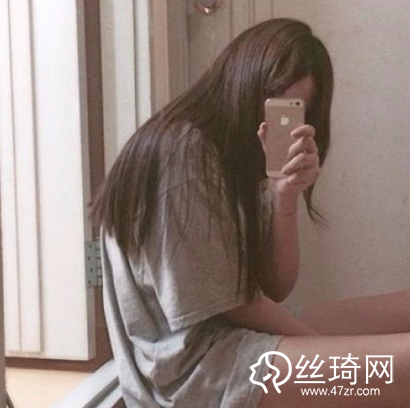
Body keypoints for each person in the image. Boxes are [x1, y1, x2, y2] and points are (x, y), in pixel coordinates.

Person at [90, 18, 410, 408]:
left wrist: (284, 196)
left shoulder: (234, 153)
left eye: (296, 111)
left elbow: (274, 287)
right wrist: (333, 353)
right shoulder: (182, 152)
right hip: (197, 372)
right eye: (272, 103)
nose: (278, 123)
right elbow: (238, 306)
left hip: (234, 339)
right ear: (242, 81)